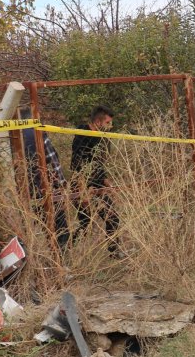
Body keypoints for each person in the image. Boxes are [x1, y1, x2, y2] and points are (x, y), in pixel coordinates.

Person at [70, 106, 120, 252]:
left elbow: (98, 164)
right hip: (81, 184)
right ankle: (67, 248)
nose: (110, 126)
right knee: (86, 222)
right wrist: (82, 190)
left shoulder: (101, 136)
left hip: (96, 184)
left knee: (112, 218)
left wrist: (107, 184)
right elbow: (77, 164)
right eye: (108, 123)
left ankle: (113, 251)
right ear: (98, 121)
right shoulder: (82, 133)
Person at [20, 110, 71, 247]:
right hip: (43, 187)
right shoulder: (38, 131)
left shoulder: (10, 133)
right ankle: (60, 256)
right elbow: (53, 160)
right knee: (58, 224)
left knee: (27, 226)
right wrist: (61, 184)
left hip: (21, 191)